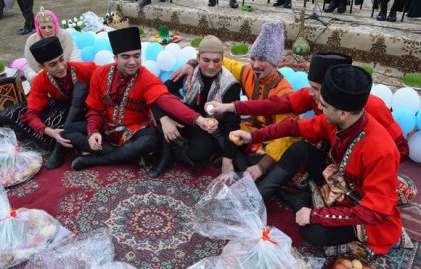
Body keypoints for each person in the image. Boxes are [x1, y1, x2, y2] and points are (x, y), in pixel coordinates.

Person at [229, 65, 402, 258]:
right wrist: (252, 137)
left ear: (343, 113)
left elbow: (374, 212)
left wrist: (316, 215)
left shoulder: (381, 150)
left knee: (310, 232)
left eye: (325, 106)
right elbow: (294, 127)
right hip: (340, 184)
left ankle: (304, 203)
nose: (319, 107)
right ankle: (258, 197)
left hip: (363, 209)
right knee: (301, 149)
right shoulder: (337, 121)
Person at [61, 27, 218, 171]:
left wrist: (198, 119)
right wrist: (94, 131)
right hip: (106, 127)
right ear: (115, 58)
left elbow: (166, 100)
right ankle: (125, 155)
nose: (132, 62)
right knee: (66, 132)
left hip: (136, 131)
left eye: (137, 56)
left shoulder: (146, 77)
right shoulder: (100, 74)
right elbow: (94, 108)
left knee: (148, 142)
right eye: (125, 57)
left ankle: (97, 160)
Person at [207, 52, 409, 159]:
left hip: (369, 160)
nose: (311, 93)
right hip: (334, 147)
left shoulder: (372, 107)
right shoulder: (314, 101)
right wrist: (230, 107)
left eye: (316, 88)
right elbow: (275, 107)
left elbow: (399, 148)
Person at [172, 21, 297, 182]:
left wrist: (262, 167)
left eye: (263, 60)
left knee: (262, 169)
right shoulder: (248, 72)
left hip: (274, 139)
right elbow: (217, 60)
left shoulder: (284, 93)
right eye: (253, 58)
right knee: (225, 129)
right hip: (250, 130)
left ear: (275, 62)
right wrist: (191, 63)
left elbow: (286, 136)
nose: (256, 65)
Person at [0, 37, 97, 170]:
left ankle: (61, 149)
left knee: (80, 89)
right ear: (42, 67)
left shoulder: (85, 68)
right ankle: (67, 143)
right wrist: (51, 132)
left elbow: (107, 75)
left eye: (61, 59)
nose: (60, 67)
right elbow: (31, 114)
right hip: (68, 113)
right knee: (33, 117)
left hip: (91, 109)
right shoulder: (41, 80)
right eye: (53, 64)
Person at [148, 35, 241, 178]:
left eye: (216, 61)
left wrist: (228, 160)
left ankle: (173, 149)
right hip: (186, 116)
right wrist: (164, 119)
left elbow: (232, 124)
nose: (211, 66)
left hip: (210, 128)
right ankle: (165, 156)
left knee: (198, 154)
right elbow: (159, 94)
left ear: (223, 60)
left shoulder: (230, 85)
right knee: (160, 112)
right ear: (198, 58)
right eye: (206, 60)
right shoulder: (188, 71)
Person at [24, 7, 81, 83]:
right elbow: (29, 63)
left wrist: (66, 71)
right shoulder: (31, 41)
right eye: (43, 28)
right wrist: (37, 77)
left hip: (67, 75)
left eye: (50, 27)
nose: (47, 31)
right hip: (44, 79)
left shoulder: (65, 36)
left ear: (55, 25)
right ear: (38, 28)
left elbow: (75, 58)